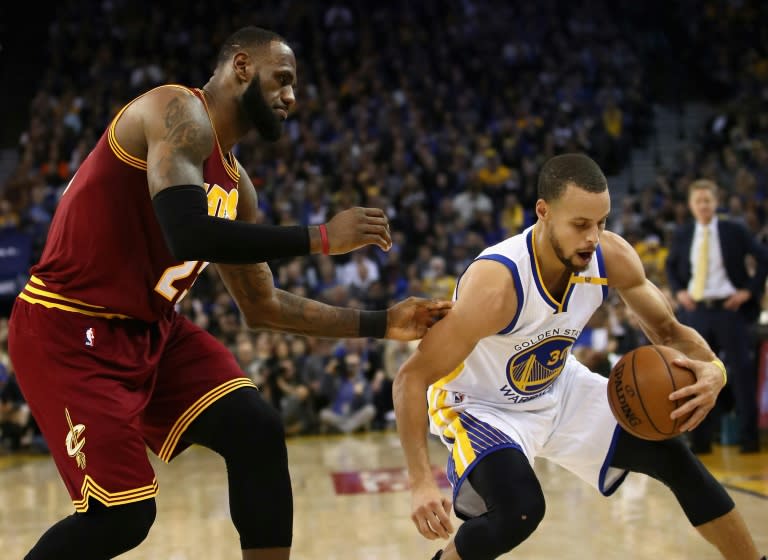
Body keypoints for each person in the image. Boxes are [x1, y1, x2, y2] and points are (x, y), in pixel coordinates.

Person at [8, 26, 450, 560]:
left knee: (256, 429)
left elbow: (262, 306)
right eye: (282, 79)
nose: (292, 97)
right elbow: (188, 232)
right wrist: (321, 238)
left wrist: (381, 322)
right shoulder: (175, 110)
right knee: (122, 516)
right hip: (68, 326)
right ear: (242, 66)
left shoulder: (237, 187)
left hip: (152, 329)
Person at [393, 154, 764, 560]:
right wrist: (419, 483)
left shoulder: (610, 257)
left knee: (673, 453)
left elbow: (670, 332)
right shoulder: (497, 284)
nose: (593, 237)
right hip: (480, 405)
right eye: (581, 225)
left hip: (558, 386)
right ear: (543, 212)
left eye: (602, 223)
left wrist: (714, 369)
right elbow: (411, 377)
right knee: (519, 511)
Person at [666, 178, 768, 454]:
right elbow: (671, 266)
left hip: (729, 310)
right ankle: (699, 442)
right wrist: (679, 292)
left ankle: (749, 439)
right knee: (694, 377)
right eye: (697, 201)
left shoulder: (733, 230)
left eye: (707, 200)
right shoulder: (685, 233)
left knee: (742, 375)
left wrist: (747, 291)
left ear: (716, 202)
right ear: (690, 205)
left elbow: (763, 257)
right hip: (697, 312)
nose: (703, 205)